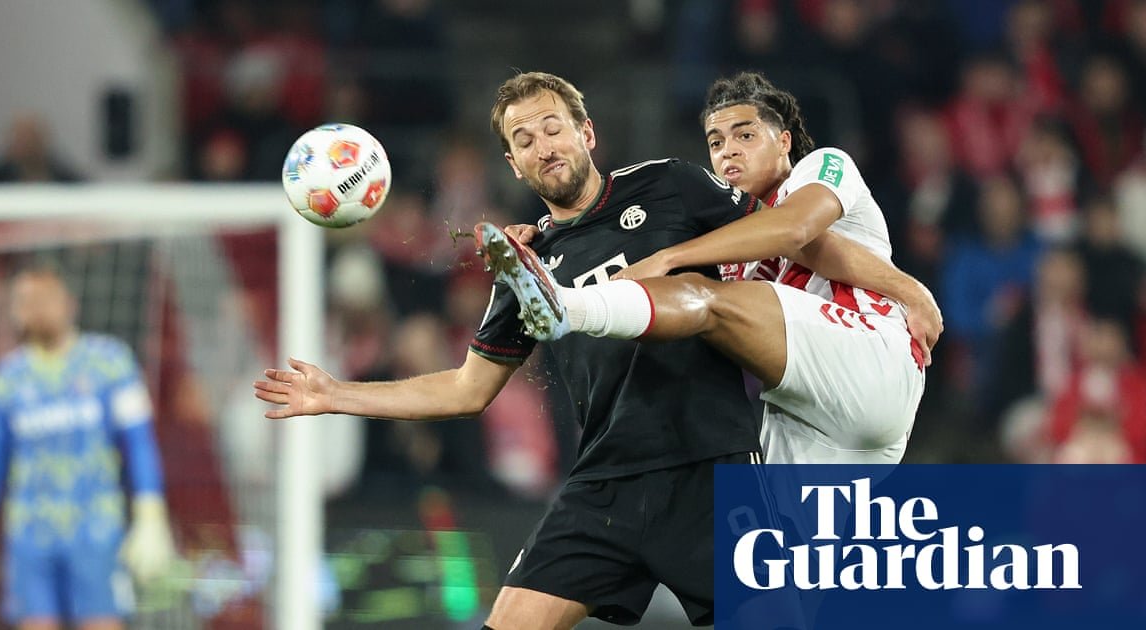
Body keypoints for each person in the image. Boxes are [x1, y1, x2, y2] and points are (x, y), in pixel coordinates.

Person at [257, 71, 933, 629]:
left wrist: (905, 289)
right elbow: (467, 389)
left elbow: (800, 238)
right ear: (513, 164)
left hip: (711, 469)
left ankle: (574, 308)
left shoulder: (670, 184)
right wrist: (337, 394)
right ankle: (567, 308)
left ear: (586, 133)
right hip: (603, 484)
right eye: (524, 140)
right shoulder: (525, 264)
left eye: (553, 127)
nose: (543, 145)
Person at [484, 70, 937, 467]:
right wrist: (548, 235)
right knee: (768, 537)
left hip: (871, 361)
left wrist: (914, 292)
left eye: (745, 136)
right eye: (716, 143)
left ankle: (567, 307)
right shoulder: (727, 238)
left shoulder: (820, 167)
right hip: (809, 412)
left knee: (705, 297)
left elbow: (796, 232)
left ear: (783, 141)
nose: (728, 153)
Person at [0, 266, 174, 630]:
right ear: (16, 313)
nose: (38, 310)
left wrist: (151, 513)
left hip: (96, 528)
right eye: (28, 302)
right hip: (30, 534)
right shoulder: (7, 379)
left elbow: (139, 441)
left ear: (69, 304)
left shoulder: (110, 363)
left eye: (46, 300)